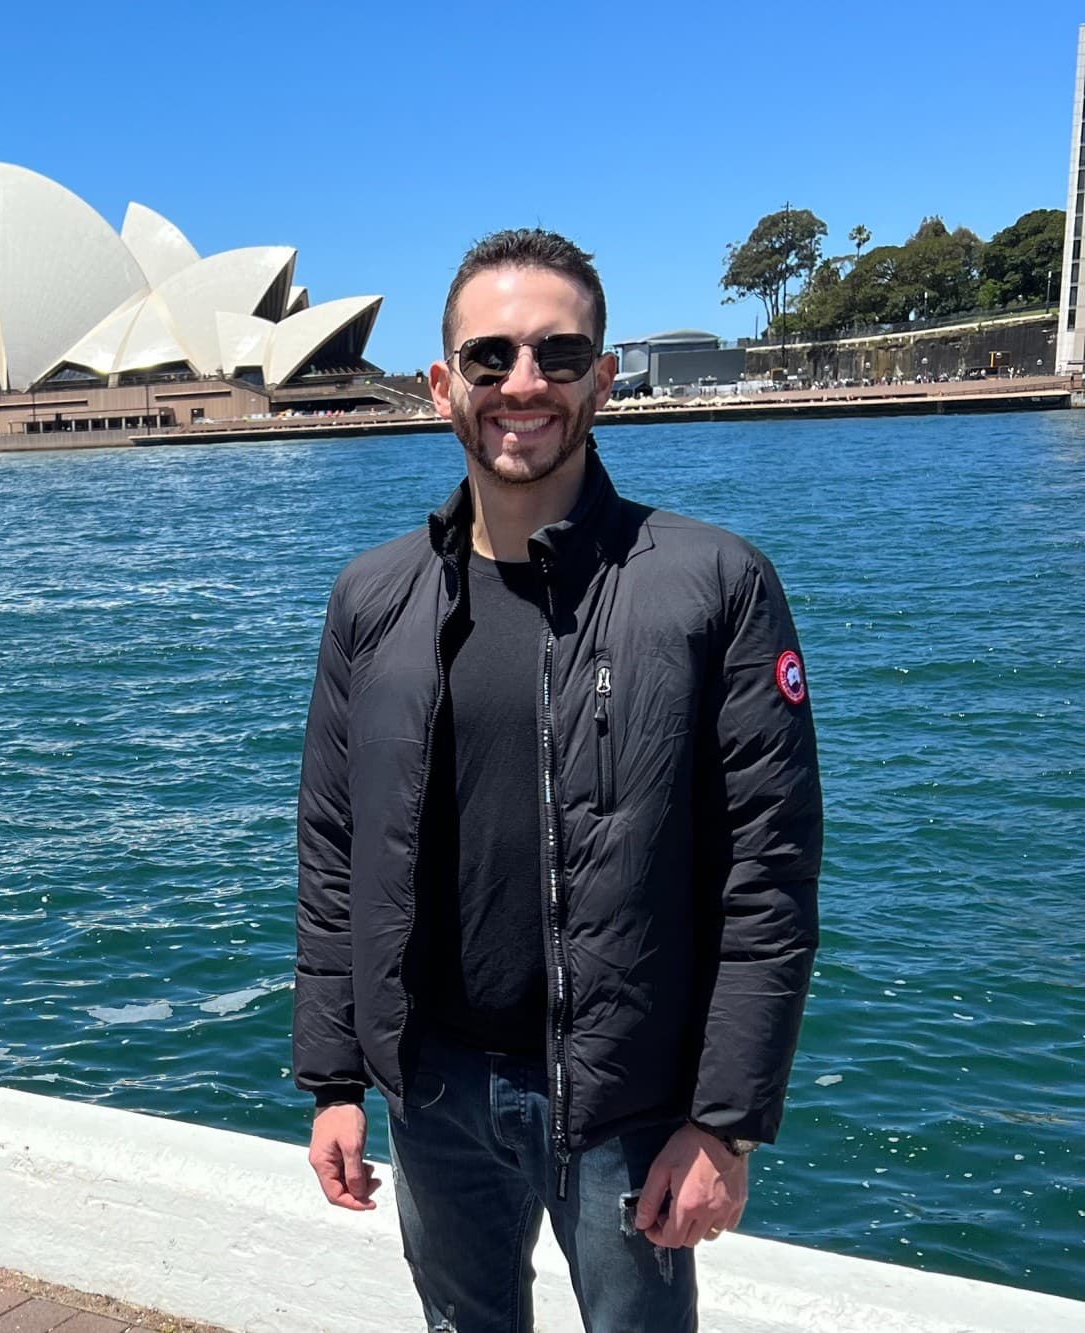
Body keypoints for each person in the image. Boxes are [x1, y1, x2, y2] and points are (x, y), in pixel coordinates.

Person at [292, 229, 821, 1333]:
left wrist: (722, 1124)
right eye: (487, 359)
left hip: (626, 1097)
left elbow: (764, 875)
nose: (520, 384)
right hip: (432, 1086)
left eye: (556, 354)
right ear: (442, 385)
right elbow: (334, 850)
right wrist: (335, 1079)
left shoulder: (710, 584)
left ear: (602, 377)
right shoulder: (371, 597)